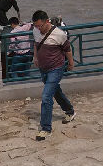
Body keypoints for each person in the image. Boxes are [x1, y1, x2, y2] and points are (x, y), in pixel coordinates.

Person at [32, 9, 75, 141]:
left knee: (46, 97)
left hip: (56, 68)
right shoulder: (36, 31)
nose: (38, 29)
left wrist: (71, 63)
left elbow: (67, 49)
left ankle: (46, 129)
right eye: (36, 26)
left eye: (40, 26)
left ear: (47, 21)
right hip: (43, 68)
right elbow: (36, 44)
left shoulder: (59, 34)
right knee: (55, 91)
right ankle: (70, 111)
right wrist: (35, 57)